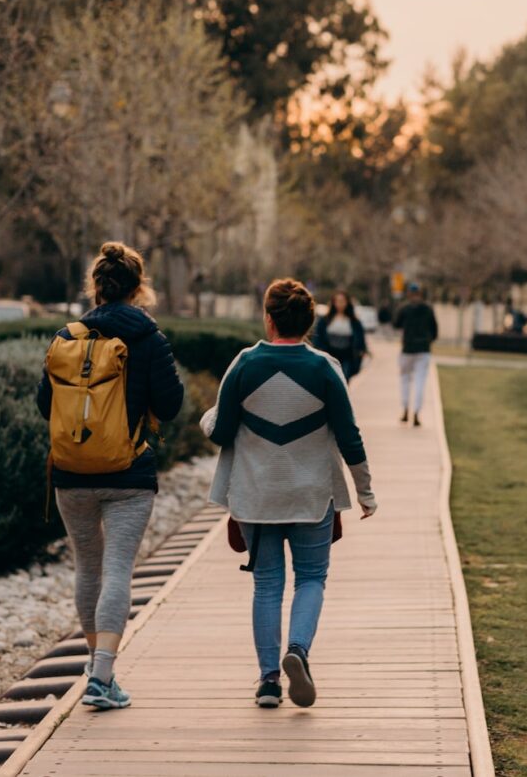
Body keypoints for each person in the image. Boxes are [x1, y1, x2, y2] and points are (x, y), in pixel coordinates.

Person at [202, 278, 377, 709]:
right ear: (310, 322)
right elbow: (348, 436)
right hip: (311, 494)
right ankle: (297, 650)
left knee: (266, 585)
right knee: (312, 578)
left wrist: (209, 417)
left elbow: (221, 431)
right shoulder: (324, 368)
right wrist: (365, 491)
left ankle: (267, 682)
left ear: (268, 317)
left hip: (256, 495)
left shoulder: (244, 364)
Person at [37, 242, 185, 710]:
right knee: (119, 568)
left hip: (70, 473)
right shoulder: (148, 336)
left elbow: (45, 404)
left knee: (88, 566)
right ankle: (101, 676)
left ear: (95, 286)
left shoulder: (67, 335)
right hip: (128, 473)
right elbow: (172, 405)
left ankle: (97, 666)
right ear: (139, 287)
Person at [393, 284, 438, 427]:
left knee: (405, 380)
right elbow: (435, 330)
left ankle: (406, 409)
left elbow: (396, 324)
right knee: (420, 382)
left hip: (408, 349)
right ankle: (416, 412)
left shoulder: (405, 308)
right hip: (423, 349)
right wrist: (428, 339)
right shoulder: (428, 309)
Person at [312, 290, 369, 381]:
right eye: (337, 301)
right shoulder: (325, 320)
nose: (340, 304)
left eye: (342, 301)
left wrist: (360, 353)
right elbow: (318, 337)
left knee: (344, 380)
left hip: (347, 356)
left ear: (347, 302)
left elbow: (360, 340)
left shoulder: (354, 321)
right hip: (329, 355)